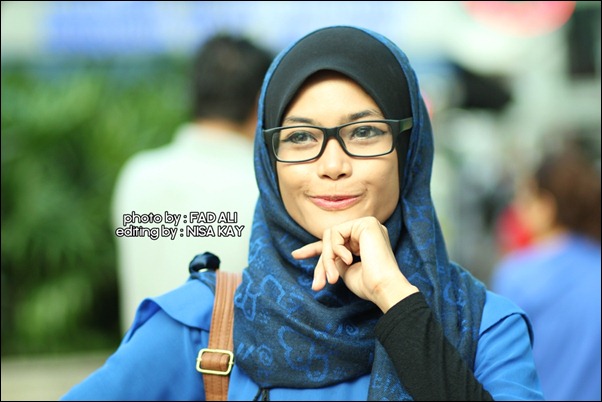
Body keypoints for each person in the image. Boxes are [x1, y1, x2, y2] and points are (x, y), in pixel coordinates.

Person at [62, 26, 543, 400]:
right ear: (267, 159)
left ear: (409, 149)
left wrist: (397, 300)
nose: (332, 165)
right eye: (299, 137)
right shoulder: (199, 328)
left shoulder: (483, 327)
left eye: (365, 132)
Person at [111, 33, 273, 332]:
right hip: (227, 362)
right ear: (260, 102)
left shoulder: (137, 176)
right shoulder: (264, 190)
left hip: (142, 358)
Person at [491, 146, 601, 401]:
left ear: (546, 206)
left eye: (525, 198)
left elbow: (503, 372)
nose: (517, 208)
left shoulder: (518, 275)